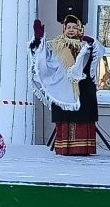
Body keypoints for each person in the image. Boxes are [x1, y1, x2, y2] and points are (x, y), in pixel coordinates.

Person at [29, 14, 104, 155]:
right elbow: (42, 58)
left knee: (83, 115)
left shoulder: (85, 44)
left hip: (84, 86)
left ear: (80, 29)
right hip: (63, 86)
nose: (71, 30)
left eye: (74, 27)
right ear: (63, 29)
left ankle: (82, 148)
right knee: (65, 115)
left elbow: (99, 52)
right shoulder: (57, 44)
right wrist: (38, 40)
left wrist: (91, 43)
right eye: (68, 27)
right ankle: (65, 147)